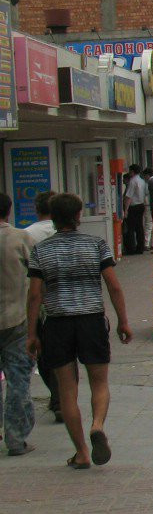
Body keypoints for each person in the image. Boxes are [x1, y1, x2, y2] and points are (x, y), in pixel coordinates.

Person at [26, 193, 132, 470]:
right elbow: (113, 285)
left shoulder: (41, 250)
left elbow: (35, 295)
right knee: (99, 382)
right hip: (91, 320)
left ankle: (82, 452)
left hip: (58, 323)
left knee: (67, 390)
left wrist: (32, 334)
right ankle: (97, 425)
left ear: (52, 217)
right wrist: (123, 320)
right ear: (78, 216)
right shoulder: (96, 244)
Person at [21, 191, 62, 423]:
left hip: (39, 302)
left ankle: (57, 397)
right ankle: (63, 398)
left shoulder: (27, 234)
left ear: (37, 210)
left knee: (43, 353)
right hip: (65, 302)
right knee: (65, 353)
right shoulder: (66, 233)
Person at [2, 193, 35, 456]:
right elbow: (38, 277)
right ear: (9, 211)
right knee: (17, 380)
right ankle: (15, 438)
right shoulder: (20, 238)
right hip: (16, 318)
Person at [122, 167, 148, 255]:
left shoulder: (132, 181)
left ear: (132, 172)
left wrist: (126, 210)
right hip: (141, 205)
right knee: (139, 227)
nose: (129, 173)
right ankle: (140, 247)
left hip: (133, 207)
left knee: (131, 228)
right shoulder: (142, 181)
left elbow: (129, 196)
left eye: (129, 171)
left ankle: (131, 249)